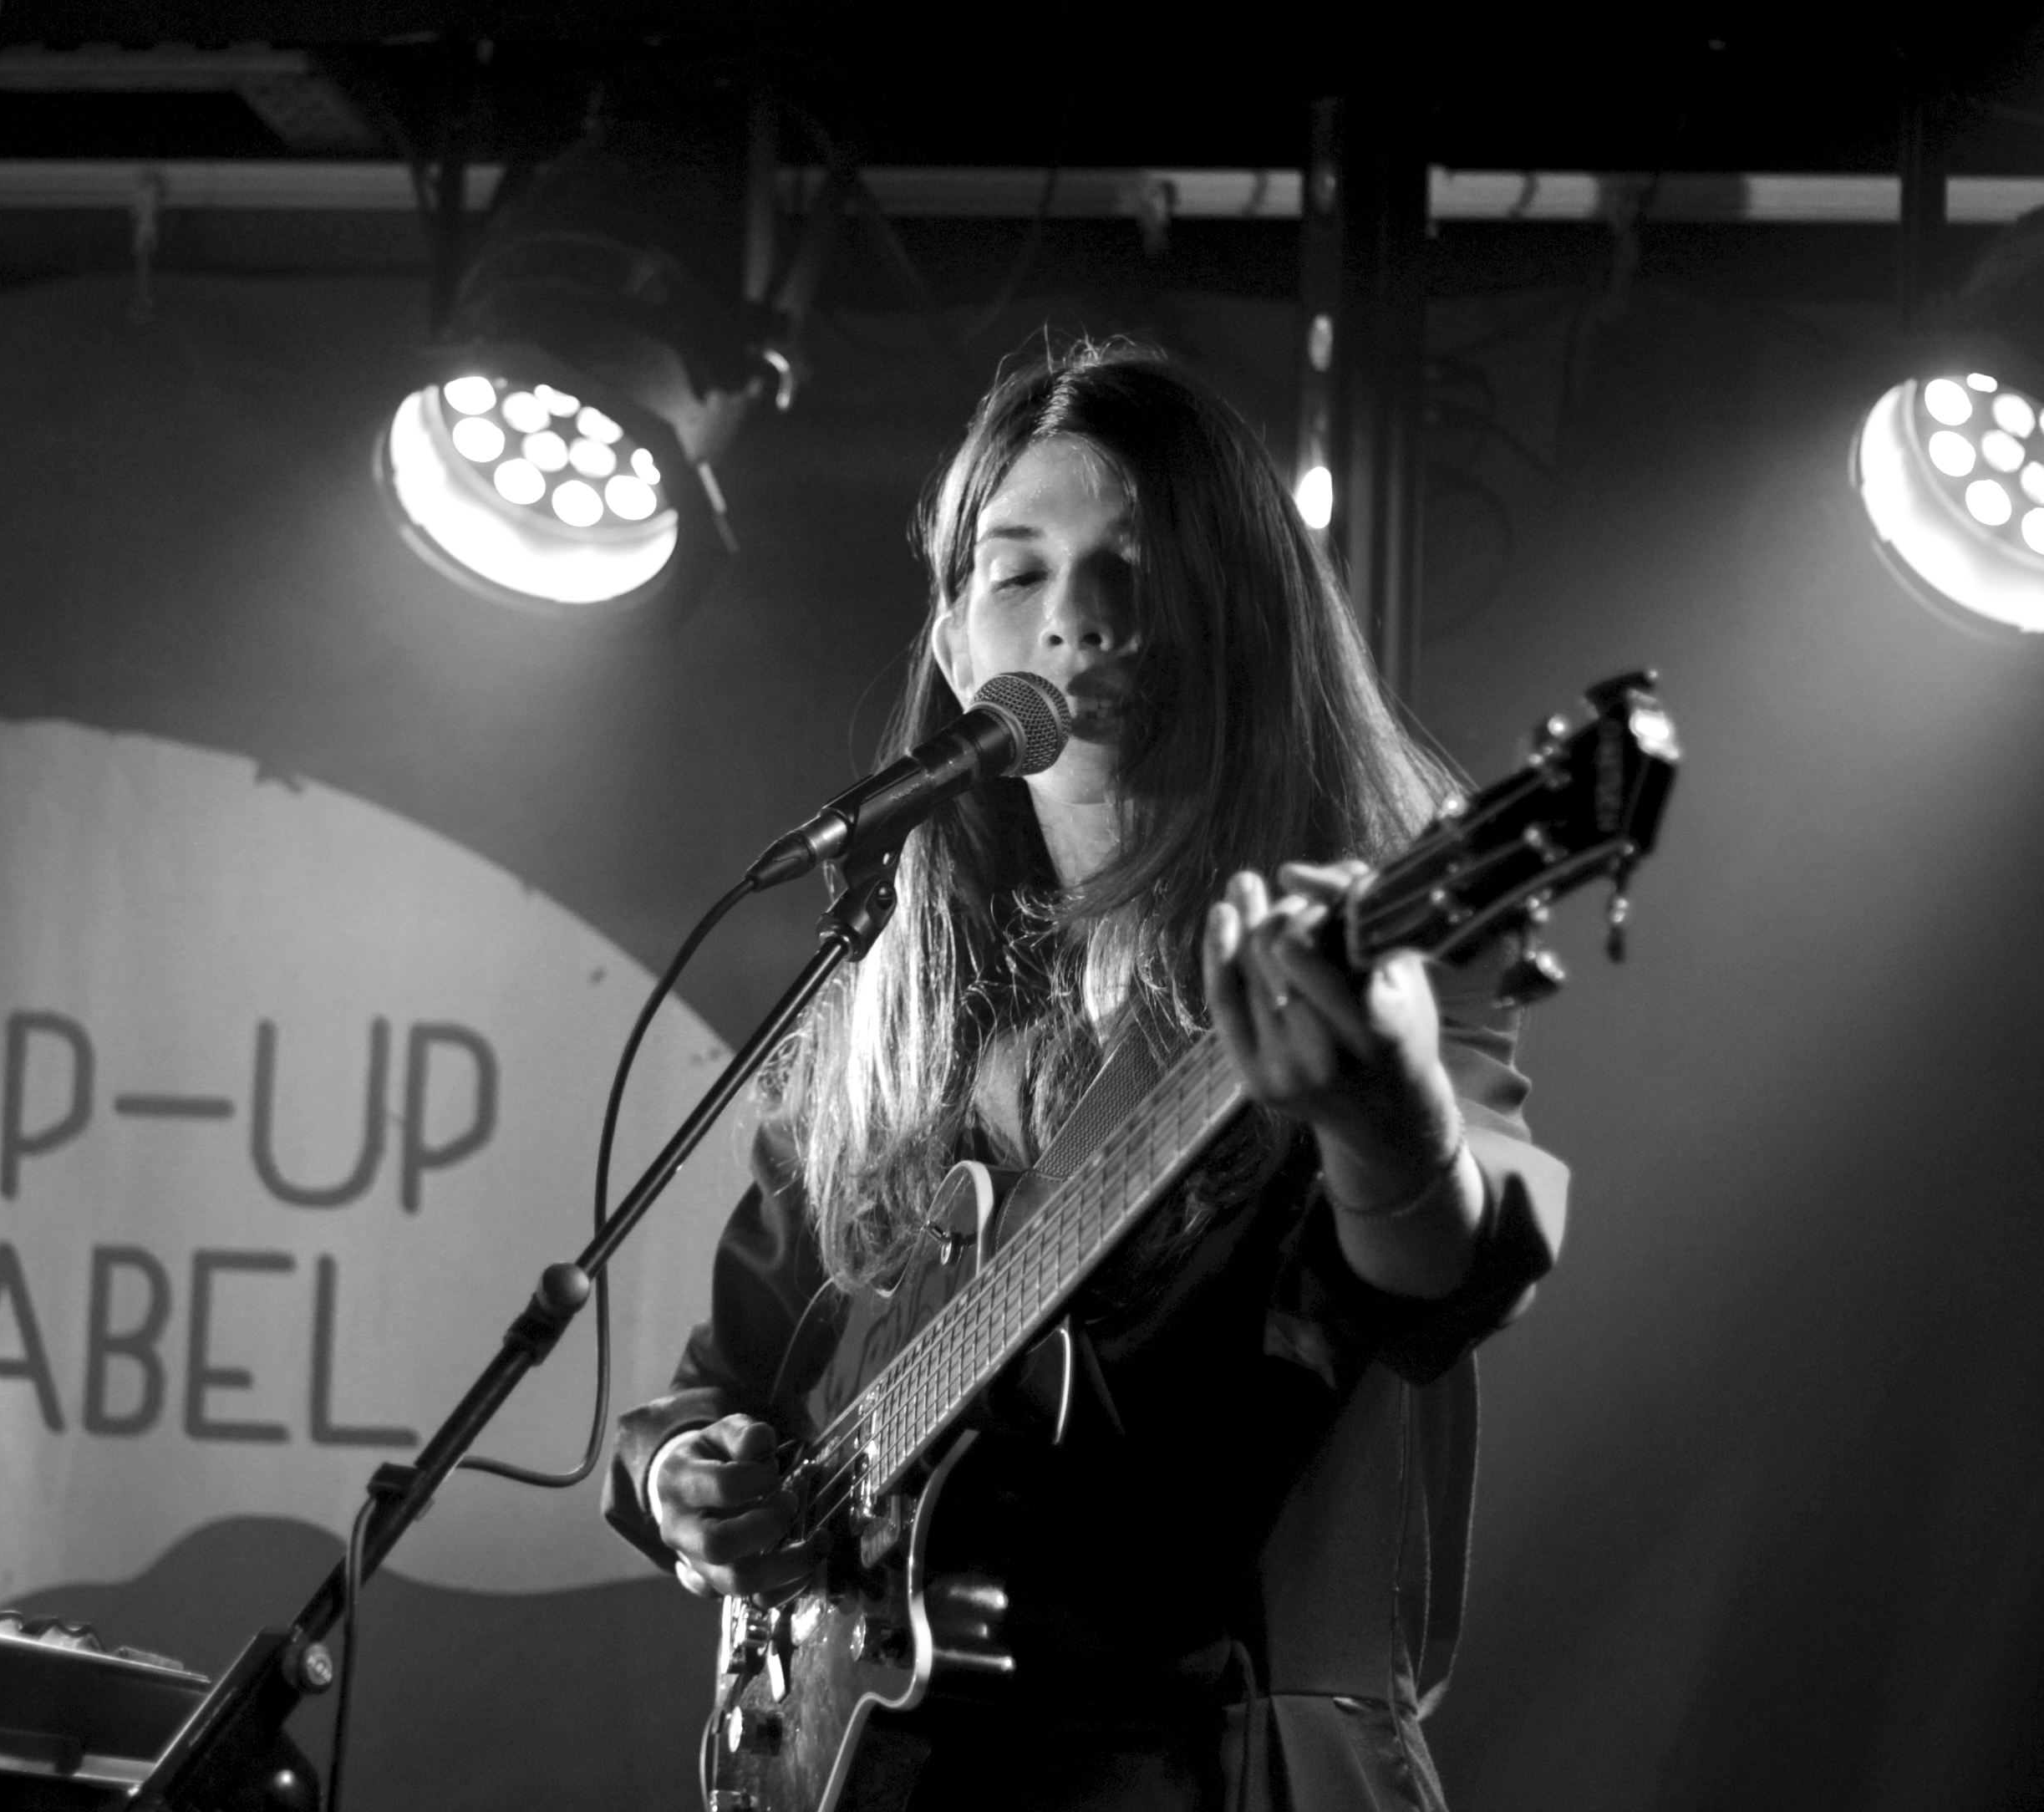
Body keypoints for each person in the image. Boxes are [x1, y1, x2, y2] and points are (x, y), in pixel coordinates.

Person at [602, 341, 1569, 1811]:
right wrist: (687, 1476)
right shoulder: (888, 1019)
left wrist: (1384, 1113)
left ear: (1248, 618)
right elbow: (720, 1386)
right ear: (955, 649)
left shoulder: (1363, 948)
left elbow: (1451, 1270)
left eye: (1141, 565)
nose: (1079, 617)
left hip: (1225, 1772)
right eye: (1019, 570)